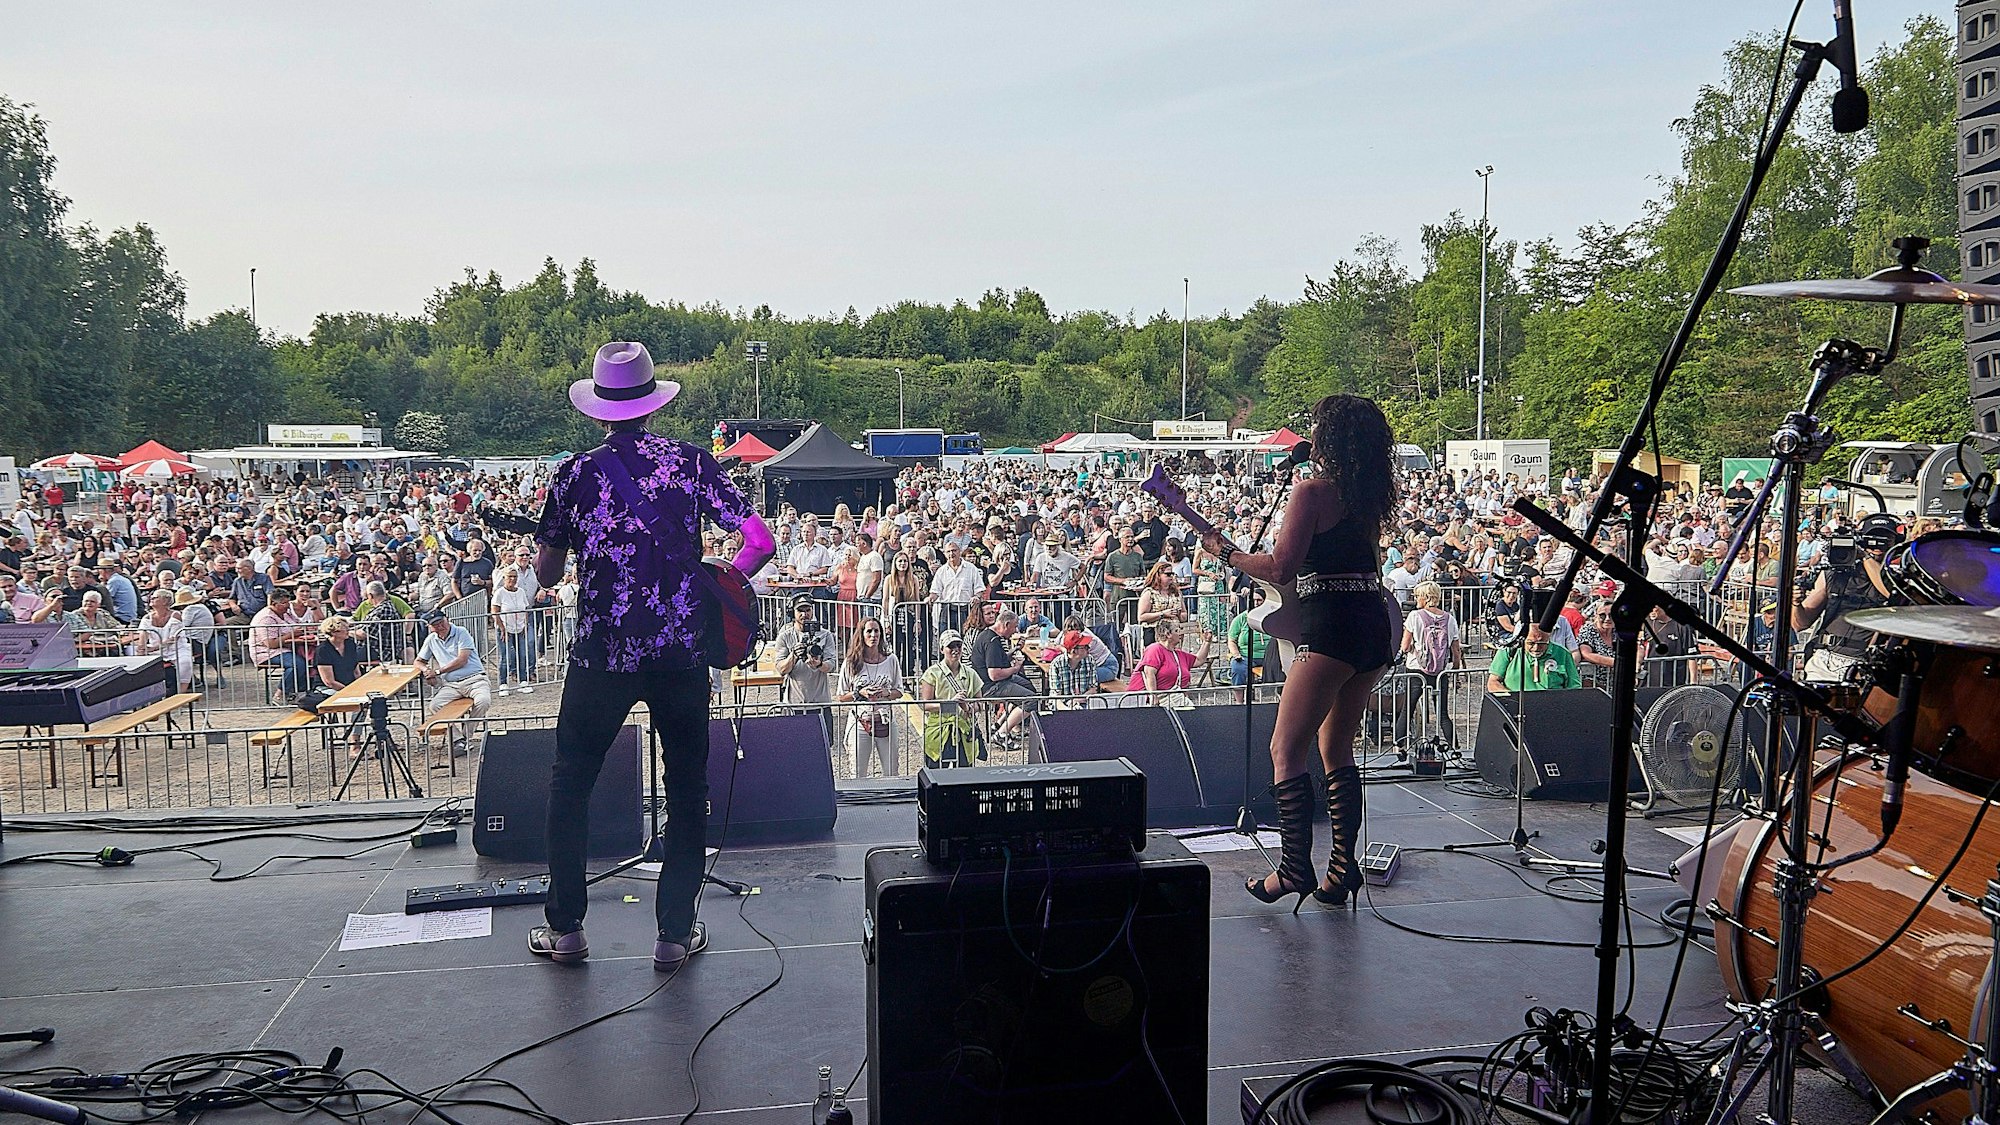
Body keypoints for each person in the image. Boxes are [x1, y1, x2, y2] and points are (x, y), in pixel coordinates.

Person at [526, 342, 774, 971]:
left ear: (599, 407)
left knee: (571, 782)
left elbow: (549, 574)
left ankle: (567, 931)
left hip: (602, 654)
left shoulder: (574, 474)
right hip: (681, 651)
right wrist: (724, 576)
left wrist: (559, 548)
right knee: (687, 788)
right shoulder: (691, 465)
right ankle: (672, 935)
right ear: (651, 400)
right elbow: (759, 540)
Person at [1202, 393, 1401, 910]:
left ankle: (1293, 868)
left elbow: (1280, 568)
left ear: (1329, 438)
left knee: (1285, 749)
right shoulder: (1366, 497)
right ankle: (1341, 870)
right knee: (1336, 750)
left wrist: (1226, 552)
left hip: (1330, 628)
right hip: (1371, 628)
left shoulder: (1312, 490)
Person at [415, 608, 491, 757]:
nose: (440, 627)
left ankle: (466, 736)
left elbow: (462, 660)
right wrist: (426, 670)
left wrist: (437, 672)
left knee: (483, 701)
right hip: (451, 684)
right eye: (435, 625)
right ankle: (458, 739)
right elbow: (418, 661)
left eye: (441, 622)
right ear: (430, 627)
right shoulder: (431, 639)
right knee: (435, 705)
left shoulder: (461, 632)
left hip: (474, 678)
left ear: (447, 619)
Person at [835, 617, 903, 778]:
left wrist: (886, 693)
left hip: (885, 719)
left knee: (892, 771)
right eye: (869, 631)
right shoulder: (851, 662)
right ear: (862, 635)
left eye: (876, 631)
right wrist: (860, 693)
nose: (873, 635)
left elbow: (899, 690)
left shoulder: (891, 660)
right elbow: (841, 696)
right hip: (860, 720)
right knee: (858, 773)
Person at [1400, 580, 1463, 744]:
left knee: (1408, 709)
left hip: (1416, 667)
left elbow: (1405, 646)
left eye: (1417, 596)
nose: (1415, 599)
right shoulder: (1449, 619)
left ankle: (1399, 745)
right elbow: (1456, 649)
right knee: (1442, 713)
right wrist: (1455, 670)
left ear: (1424, 597)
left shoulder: (1414, 616)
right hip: (1441, 670)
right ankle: (1454, 747)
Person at [967, 607, 1035, 746]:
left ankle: (999, 723)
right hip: (989, 687)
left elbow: (999, 659)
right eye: (1014, 627)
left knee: (1028, 686)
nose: (1015, 631)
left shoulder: (991, 635)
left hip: (995, 681)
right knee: (1032, 700)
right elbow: (994, 674)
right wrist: (1015, 668)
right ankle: (1001, 734)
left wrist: (1015, 649)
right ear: (1006, 625)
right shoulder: (992, 641)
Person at [917, 629, 983, 767]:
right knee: (936, 776)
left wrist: (967, 707)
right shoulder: (932, 673)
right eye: (950, 646)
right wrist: (950, 704)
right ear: (942, 649)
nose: (955, 650)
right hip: (939, 732)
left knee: (964, 773)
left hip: (964, 731)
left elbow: (980, 704)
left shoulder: (971, 674)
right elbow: (925, 705)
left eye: (958, 646)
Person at [249, 587, 311, 700]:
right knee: (298, 664)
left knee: (309, 659)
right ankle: (281, 693)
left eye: (288, 602)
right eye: (283, 603)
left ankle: (302, 692)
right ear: (273, 604)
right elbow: (270, 644)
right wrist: (291, 634)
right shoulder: (265, 618)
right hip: (267, 652)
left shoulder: (286, 613)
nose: (287, 606)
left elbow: (300, 624)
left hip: (287, 648)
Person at [1128, 616, 1209, 699]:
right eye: (1177, 631)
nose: (1180, 633)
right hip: (1144, 701)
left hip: (1172, 699)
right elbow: (1149, 673)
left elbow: (1199, 660)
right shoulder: (1155, 649)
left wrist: (1207, 642)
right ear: (1168, 634)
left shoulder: (1178, 654)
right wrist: (1154, 697)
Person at [1486, 624, 1581, 693]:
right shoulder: (1509, 650)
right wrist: (1512, 699)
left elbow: (1574, 687)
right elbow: (1493, 683)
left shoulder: (1563, 653)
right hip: (1517, 709)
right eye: (1531, 643)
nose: (1536, 648)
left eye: (1541, 643)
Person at [131, 588, 192, 692]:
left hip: (176, 648)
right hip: (156, 651)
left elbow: (173, 639)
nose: (151, 598)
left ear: (165, 601)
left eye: (155, 597)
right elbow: (143, 637)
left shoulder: (175, 615)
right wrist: (141, 649)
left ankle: (181, 693)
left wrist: (151, 649)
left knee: (185, 663)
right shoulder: (146, 618)